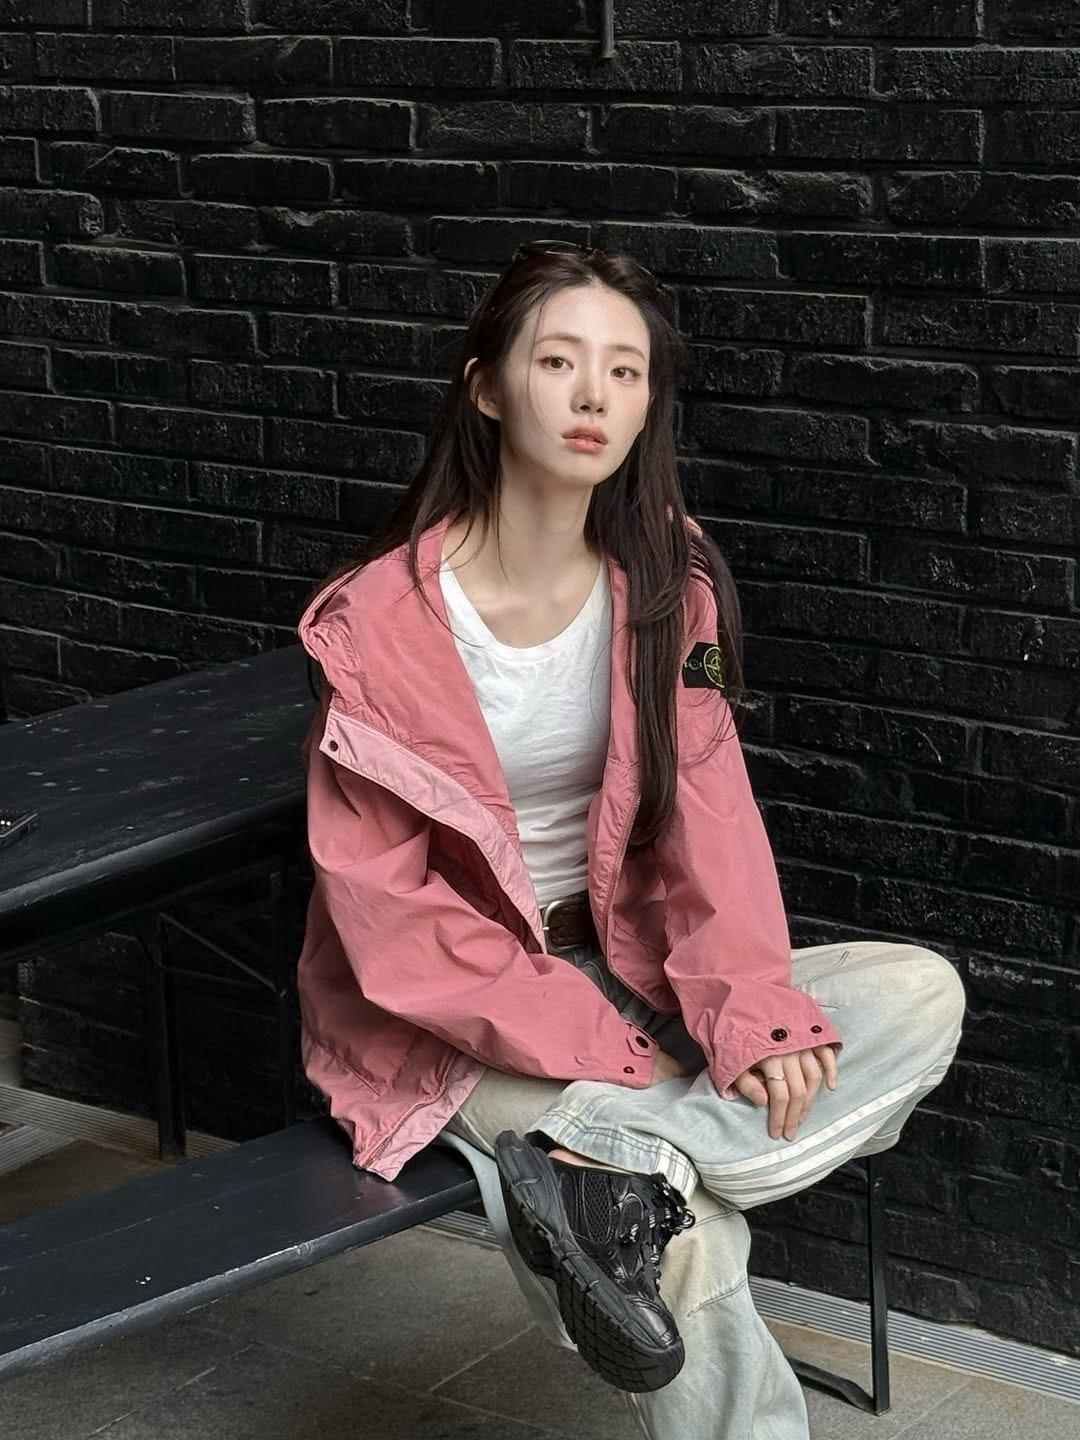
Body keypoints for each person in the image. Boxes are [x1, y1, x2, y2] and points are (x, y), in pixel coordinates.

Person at [294, 239, 967, 1439]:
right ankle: (639, 1184)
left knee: (918, 994)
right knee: (691, 1241)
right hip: (451, 1016)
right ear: (487, 387)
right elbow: (394, 927)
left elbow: (712, 817)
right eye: (559, 362)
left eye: (625, 370)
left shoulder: (665, 579)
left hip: (632, 961)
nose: (594, 395)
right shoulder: (378, 626)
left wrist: (746, 1009)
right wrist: (604, 1045)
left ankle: (616, 1173)